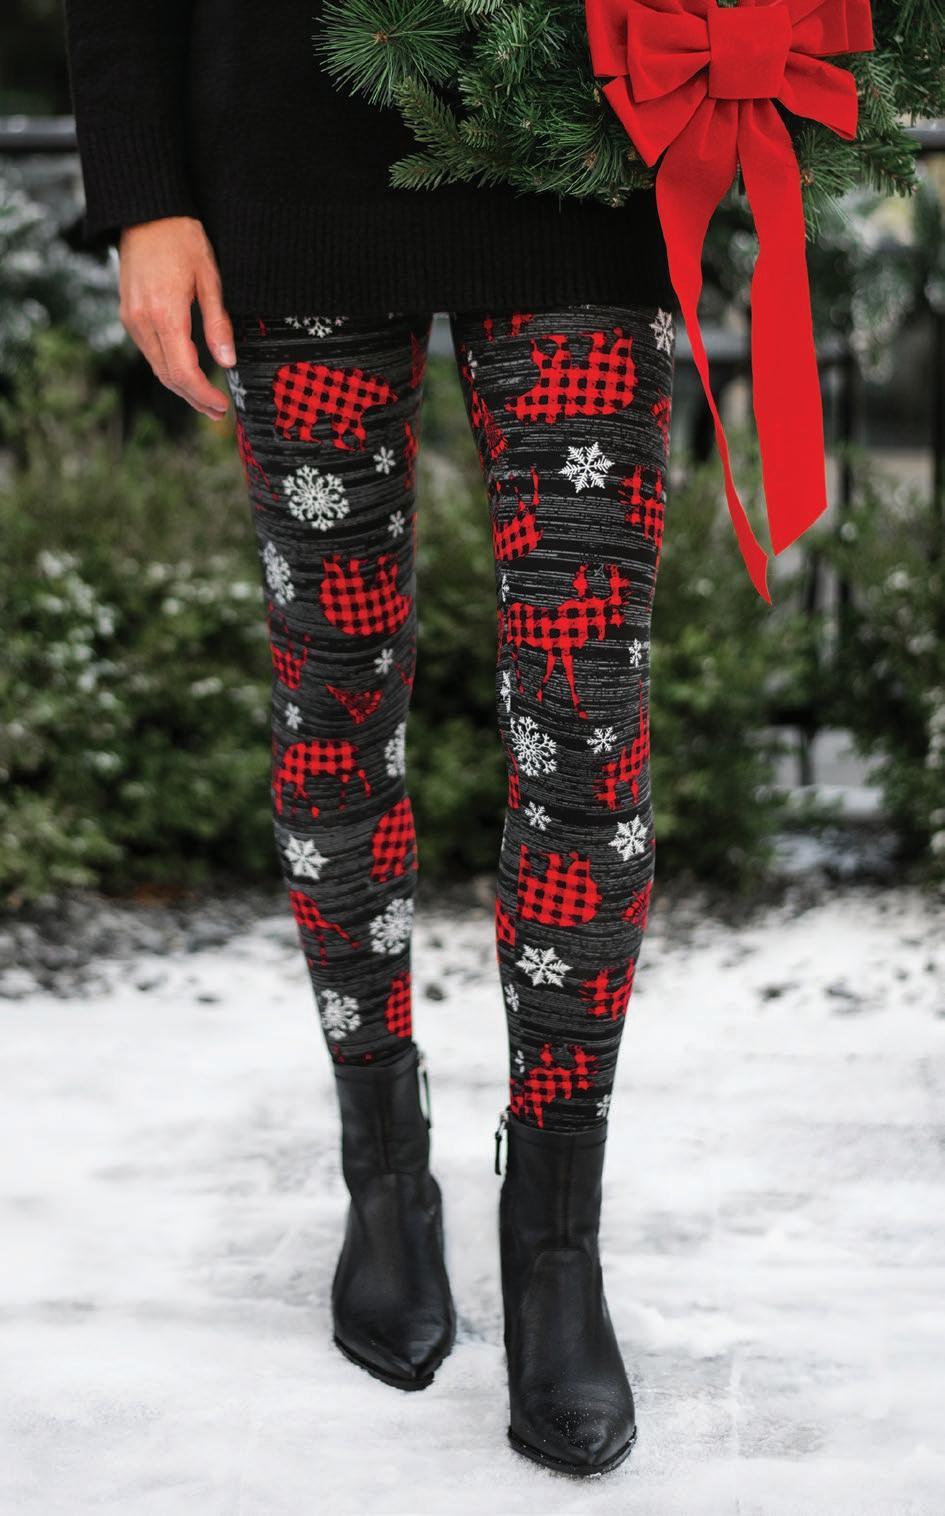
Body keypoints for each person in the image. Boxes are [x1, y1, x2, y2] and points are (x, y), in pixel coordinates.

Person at [62, 0, 676, 1478]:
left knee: (586, 732)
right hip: (288, 141)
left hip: (582, 142)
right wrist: (143, 193)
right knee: (333, 696)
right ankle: (384, 1172)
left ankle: (554, 1239)